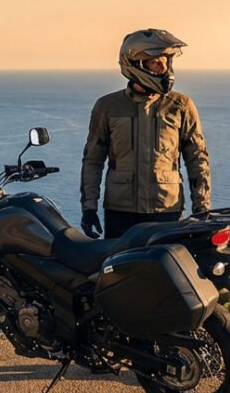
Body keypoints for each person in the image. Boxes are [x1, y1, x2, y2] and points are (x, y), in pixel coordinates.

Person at [79, 29, 210, 239]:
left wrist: (201, 208)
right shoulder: (108, 107)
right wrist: (89, 208)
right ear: (136, 64)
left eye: (166, 61)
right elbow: (93, 160)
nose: (164, 67)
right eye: (156, 62)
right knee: (118, 271)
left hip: (167, 210)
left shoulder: (181, 105)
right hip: (121, 212)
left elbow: (197, 158)